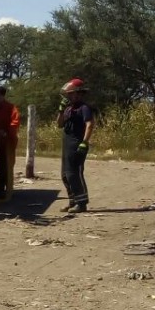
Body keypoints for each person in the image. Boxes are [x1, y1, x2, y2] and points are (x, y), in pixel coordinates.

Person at [57, 79, 95, 212]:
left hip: (77, 143)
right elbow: (60, 124)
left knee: (74, 173)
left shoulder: (84, 108)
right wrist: (61, 111)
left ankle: (82, 202)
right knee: (65, 175)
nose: (68, 96)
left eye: (71, 94)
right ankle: (73, 200)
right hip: (67, 143)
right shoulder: (68, 108)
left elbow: (89, 125)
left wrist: (84, 142)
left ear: (78, 94)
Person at [0, 86, 20, 198]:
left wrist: (6, 132)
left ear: (3, 96)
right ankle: (0, 189)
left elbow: (14, 122)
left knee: (8, 165)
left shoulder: (11, 108)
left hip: (9, 141)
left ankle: (9, 189)